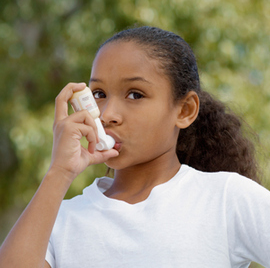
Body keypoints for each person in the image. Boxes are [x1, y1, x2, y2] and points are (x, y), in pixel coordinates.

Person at [0, 26, 269, 268]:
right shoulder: (60, 221)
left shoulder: (225, 198)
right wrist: (59, 171)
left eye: (135, 95)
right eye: (99, 94)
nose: (107, 114)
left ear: (185, 110)